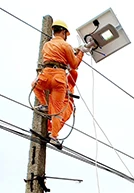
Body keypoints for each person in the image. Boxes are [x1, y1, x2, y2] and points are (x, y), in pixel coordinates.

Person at [31, 19, 85, 149]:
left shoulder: (47, 45)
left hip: (46, 74)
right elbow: (74, 65)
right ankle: (53, 136)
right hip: (58, 78)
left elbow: (52, 57)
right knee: (57, 111)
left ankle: (44, 104)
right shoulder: (66, 46)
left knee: (34, 85)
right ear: (64, 32)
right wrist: (81, 52)